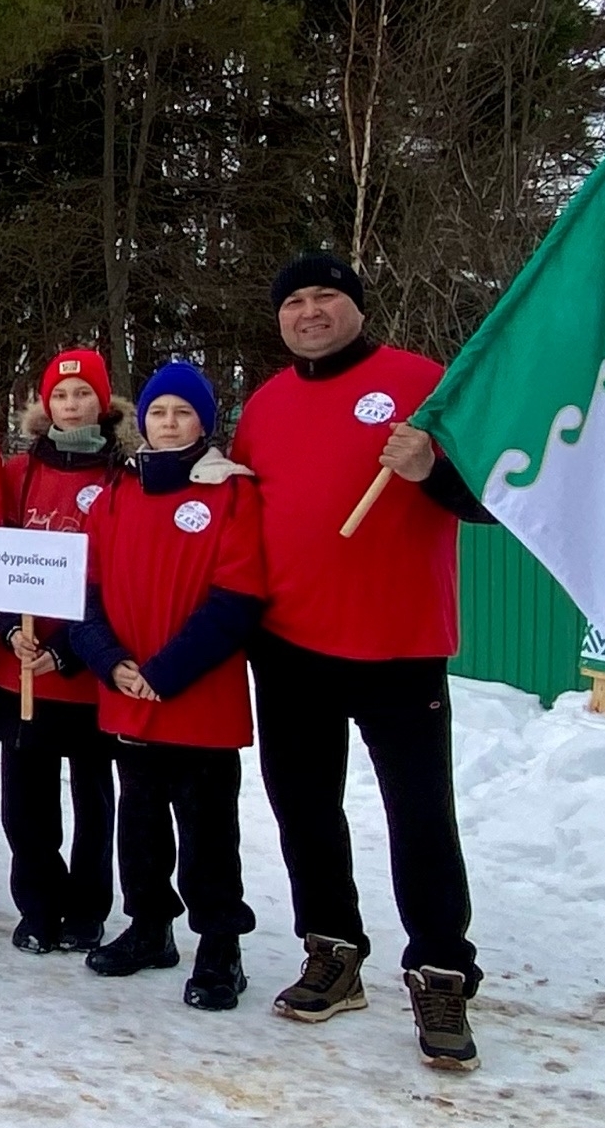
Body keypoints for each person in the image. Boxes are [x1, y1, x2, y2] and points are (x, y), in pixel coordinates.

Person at [232, 252, 492, 1070]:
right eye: (295, 300)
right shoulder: (265, 405)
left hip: (398, 644)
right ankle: (333, 948)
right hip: (288, 644)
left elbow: (495, 496)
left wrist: (436, 470)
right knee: (303, 807)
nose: (309, 311)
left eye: (326, 296)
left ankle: (442, 966)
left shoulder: (425, 381)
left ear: (356, 306)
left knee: (418, 814)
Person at [67, 361, 264, 1011]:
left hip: (196, 697)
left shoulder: (232, 493)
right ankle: (149, 925)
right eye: (159, 412)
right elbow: (85, 591)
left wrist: (166, 671)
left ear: (203, 423)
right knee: (141, 822)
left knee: (209, 834)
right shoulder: (118, 492)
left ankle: (219, 949)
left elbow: (236, 599)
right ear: (141, 420)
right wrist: (108, 660)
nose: (170, 422)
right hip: (127, 689)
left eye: (183, 413)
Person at [0, 348, 123, 956]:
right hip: (20, 664)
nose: (71, 405)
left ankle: (88, 907)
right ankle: (37, 902)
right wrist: (12, 628)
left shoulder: (125, 474)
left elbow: (124, 574)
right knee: (25, 796)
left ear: (103, 403)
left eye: (82, 395)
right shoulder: (17, 473)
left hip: (86, 666)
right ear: (45, 407)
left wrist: (68, 652)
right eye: (60, 397)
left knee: (93, 795)